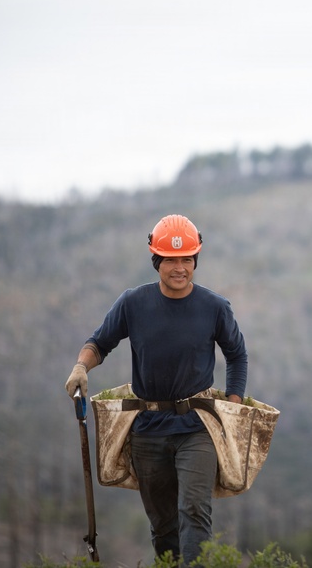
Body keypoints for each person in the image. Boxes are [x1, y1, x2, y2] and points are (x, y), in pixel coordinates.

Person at [65, 213, 248, 565]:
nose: (179, 268)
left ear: (195, 260)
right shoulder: (134, 303)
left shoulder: (214, 307)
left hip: (198, 427)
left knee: (194, 510)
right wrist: (80, 367)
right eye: (170, 260)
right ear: (156, 261)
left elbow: (237, 354)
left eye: (186, 259)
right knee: (163, 526)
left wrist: (234, 404)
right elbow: (99, 343)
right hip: (148, 429)